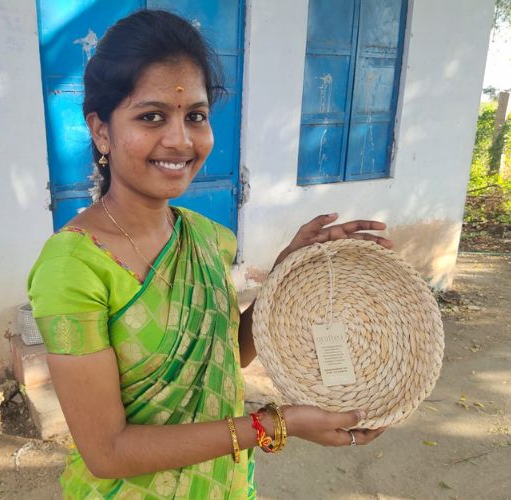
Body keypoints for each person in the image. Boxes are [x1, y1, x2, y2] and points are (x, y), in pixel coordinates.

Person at [28, 9, 392, 499]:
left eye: (195, 116)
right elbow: (107, 451)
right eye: (151, 116)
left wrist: (286, 278)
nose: (180, 139)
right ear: (101, 131)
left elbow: (230, 354)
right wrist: (273, 425)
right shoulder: (73, 267)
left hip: (224, 484)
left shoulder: (208, 237)